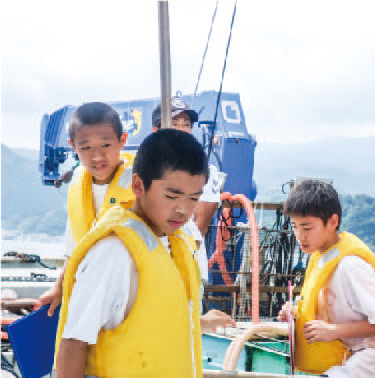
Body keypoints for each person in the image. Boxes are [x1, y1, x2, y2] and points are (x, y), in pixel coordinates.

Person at [54, 129, 234, 378]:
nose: (183, 210)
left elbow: (153, 324)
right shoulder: (114, 253)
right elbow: (73, 342)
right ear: (138, 185)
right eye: (172, 195)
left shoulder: (176, 244)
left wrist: (199, 323)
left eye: (194, 198)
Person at [277, 180, 375, 378]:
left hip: (367, 363)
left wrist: (333, 331)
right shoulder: (321, 257)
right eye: (295, 227)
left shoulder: (350, 266)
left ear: (333, 222)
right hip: (342, 360)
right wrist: (295, 312)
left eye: (307, 228)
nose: (299, 236)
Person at [39, 102, 134, 316]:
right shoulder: (77, 188)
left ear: (122, 141)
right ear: (73, 146)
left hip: (132, 296)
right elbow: (74, 250)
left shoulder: (142, 184)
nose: (97, 157)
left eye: (105, 146)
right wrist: (58, 287)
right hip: (94, 296)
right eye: (86, 148)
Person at [152, 96, 225, 283]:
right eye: (174, 123)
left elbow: (201, 221)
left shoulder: (206, 170)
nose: (182, 129)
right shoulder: (144, 167)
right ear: (156, 129)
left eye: (186, 124)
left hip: (184, 258)